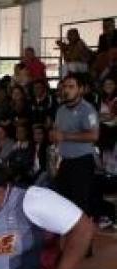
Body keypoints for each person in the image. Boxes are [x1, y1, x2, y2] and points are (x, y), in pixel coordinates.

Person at [54, 73, 99, 224]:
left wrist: (65, 136)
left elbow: (94, 135)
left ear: (80, 89)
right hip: (65, 161)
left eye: (71, 87)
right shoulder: (60, 110)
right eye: (65, 87)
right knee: (63, 203)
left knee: (81, 206)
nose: (67, 90)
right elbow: (57, 132)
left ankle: (84, 245)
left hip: (82, 163)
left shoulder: (87, 110)